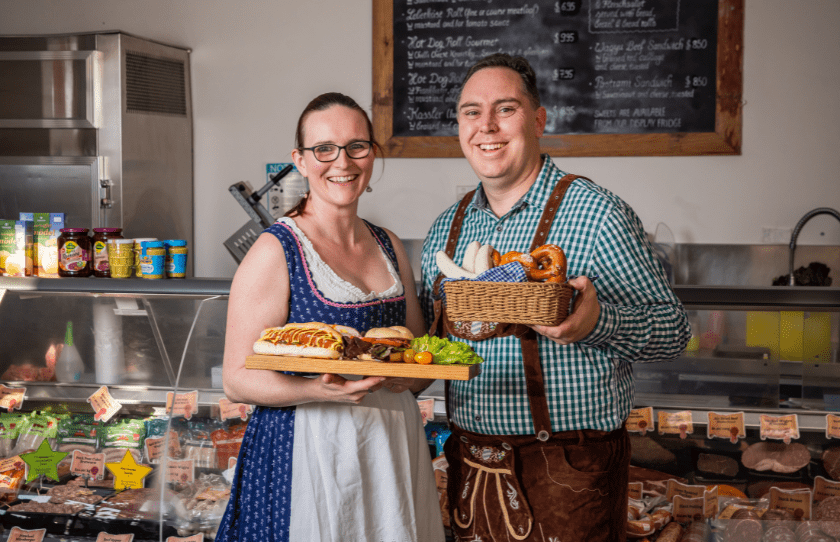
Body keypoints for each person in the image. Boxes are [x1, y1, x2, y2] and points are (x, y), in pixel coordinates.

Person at [419, 53, 691, 541]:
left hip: (570, 470)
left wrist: (597, 322)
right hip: (468, 467)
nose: (486, 126)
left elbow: (674, 332)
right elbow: (427, 347)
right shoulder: (447, 229)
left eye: (506, 109)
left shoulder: (597, 214)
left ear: (539, 120)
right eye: (471, 112)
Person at [217, 92, 445, 542]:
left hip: (388, 448)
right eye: (324, 149)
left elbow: (419, 359)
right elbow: (236, 378)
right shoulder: (276, 250)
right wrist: (314, 389)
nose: (342, 162)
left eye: (357, 146)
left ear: (372, 154)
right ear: (300, 161)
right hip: (307, 451)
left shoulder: (390, 245)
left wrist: (403, 377)